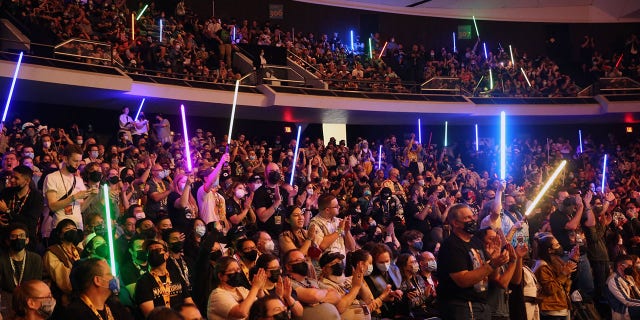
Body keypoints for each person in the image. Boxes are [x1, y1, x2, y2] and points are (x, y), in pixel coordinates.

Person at [436, 203, 509, 320]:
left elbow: (492, 277)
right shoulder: (451, 245)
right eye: (467, 218)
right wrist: (492, 264)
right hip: (461, 307)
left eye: (472, 216)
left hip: (482, 306)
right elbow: (463, 280)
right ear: (455, 223)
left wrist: (496, 261)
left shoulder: (476, 242)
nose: (472, 220)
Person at [135, 239, 194, 317]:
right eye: (150, 250)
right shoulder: (143, 282)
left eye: (158, 249)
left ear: (166, 255)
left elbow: (189, 302)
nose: (154, 252)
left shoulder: (176, 275)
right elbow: (151, 315)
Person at [64, 258, 133, 320]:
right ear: (98, 280)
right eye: (109, 274)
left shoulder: (116, 306)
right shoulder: (75, 315)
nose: (114, 278)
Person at [0, 223, 43, 319]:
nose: (18, 239)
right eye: (13, 236)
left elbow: (37, 284)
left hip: (29, 300)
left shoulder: (36, 259)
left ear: (27, 240)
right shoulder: (2, 259)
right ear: (8, 241)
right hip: (6, 300)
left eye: (21, 236)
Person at [283, 249, 341, 319]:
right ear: (288, 266)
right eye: (299, 260)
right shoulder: (287, 282)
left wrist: (321, 301)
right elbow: (313, 296)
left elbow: (337, 295)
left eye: (304, 260)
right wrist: (326, 292)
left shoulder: (312, 281)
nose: (304, 262)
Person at [43, 144, 91, 230]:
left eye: (79, 161)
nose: (78, 164)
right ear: (65, 159)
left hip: (78, 227)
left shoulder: (79, 180)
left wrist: (92, 196)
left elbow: (81, 208)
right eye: (75, 161)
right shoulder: (51, 177)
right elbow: (52, 206)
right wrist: (74, 197)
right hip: (60, 227)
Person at [533, 233, 577, 320]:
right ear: (549, 250)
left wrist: (573, 260)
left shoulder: (556, 260)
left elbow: (566, 282)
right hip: (551, 310)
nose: (559, 246)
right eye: (556, 245)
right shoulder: (542, 266)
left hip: (561, 307)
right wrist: (563, 274)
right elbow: (550, 289)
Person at [318, 251, 371, 320]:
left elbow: (368, 300)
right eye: (333, 263)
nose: (339, 265)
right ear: (324, 269)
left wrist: (360, 281)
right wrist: (356, 287)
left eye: (340, 262)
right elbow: (340, 307)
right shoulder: (324, 285)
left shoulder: (349, 279)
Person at [43, 218, 82, 309]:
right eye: (68, 229)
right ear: (60, 234)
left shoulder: (80, 251)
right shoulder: (52, 252)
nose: (72, 231)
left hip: (80, 296)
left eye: (74, 229)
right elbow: (64, 281)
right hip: (61, 298)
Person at [0, 165, 44, 243]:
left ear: (27, 181)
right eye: (12, 177)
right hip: (5, 236)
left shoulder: (36, 197)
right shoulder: (6, 192)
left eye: (16, 178)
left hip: (25, 239)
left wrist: (7, 211)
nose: (12, 180)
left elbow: (30, 222)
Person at [364, 243, 402, 319]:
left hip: (397, 308)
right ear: (374, 261)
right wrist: (387, 296)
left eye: (387, 261)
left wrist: (398, 292)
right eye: (381, 262)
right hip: (381, 311)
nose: (385, 264)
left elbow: (399, 287)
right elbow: (370, 297)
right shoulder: (368, 275)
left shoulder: (394, 269)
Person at [607, 254, 640, 320]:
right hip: (624, 311)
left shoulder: (629, 277)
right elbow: (626, 301)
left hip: (633, 306)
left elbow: (638, 294)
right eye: (629, 266)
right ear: (620, 266)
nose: (632, 268)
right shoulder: (613, 280)